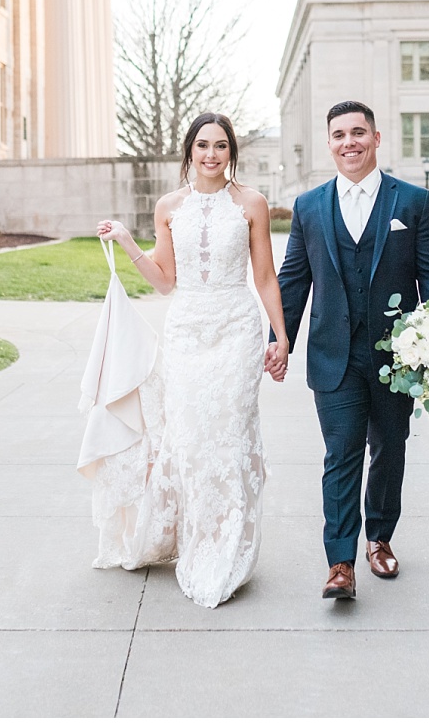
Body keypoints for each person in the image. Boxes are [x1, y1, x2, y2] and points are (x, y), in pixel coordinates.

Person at [94, 111, 289, 608]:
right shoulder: (169, 207)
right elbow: (164, 281)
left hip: (236, 331)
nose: (210, 154)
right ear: (189, 150)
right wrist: (125, 241)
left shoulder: (251, 204)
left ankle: (226, 546)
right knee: (190, 437)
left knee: (228, 434)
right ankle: (193, 539)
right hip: (185, 331)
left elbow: (265, 278)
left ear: (231, 152)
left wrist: (280, 337)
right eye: (202, 145)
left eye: (220, 146)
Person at [269, 100, 429, 600]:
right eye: (339, 135)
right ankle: (341, 562)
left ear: (375, 138)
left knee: (389, 450)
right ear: (330, 143)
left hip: (398, 357)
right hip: (334, 356)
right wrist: (278, 337)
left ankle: (380, 538)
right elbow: (294, 281)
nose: (349, 142)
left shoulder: (412, 202)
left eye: (358, 133)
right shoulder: (309, 207)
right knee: (341, 453)